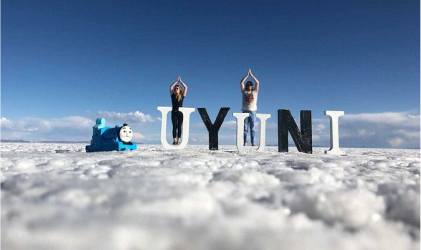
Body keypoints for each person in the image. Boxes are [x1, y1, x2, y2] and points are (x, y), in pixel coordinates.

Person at [240, 69, 259, 146]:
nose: (248, 86)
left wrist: (251, 75)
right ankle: (245, 142)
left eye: (250, 85)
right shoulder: (244, 91)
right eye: (247, 85)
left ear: (252, 86)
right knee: (245, 128)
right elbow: (241, 82)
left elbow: (257, 82)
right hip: (245, 111)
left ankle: (253, 142)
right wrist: (247, 75)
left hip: (252, 111)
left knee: (253, 128)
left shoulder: (254, 92)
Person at [170, 76, 188, 145]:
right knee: (174, 126)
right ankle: (174, 140)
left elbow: (186, 87)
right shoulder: (173, 96)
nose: (175, 89)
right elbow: (171, 87)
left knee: (179, 126)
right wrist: (176, 81)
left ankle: (178, 140)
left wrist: (181, 82)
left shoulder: (182, 96)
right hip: (174, 112)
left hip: (180, 113)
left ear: (179, 89)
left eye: (177, 88)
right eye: (175, 89)